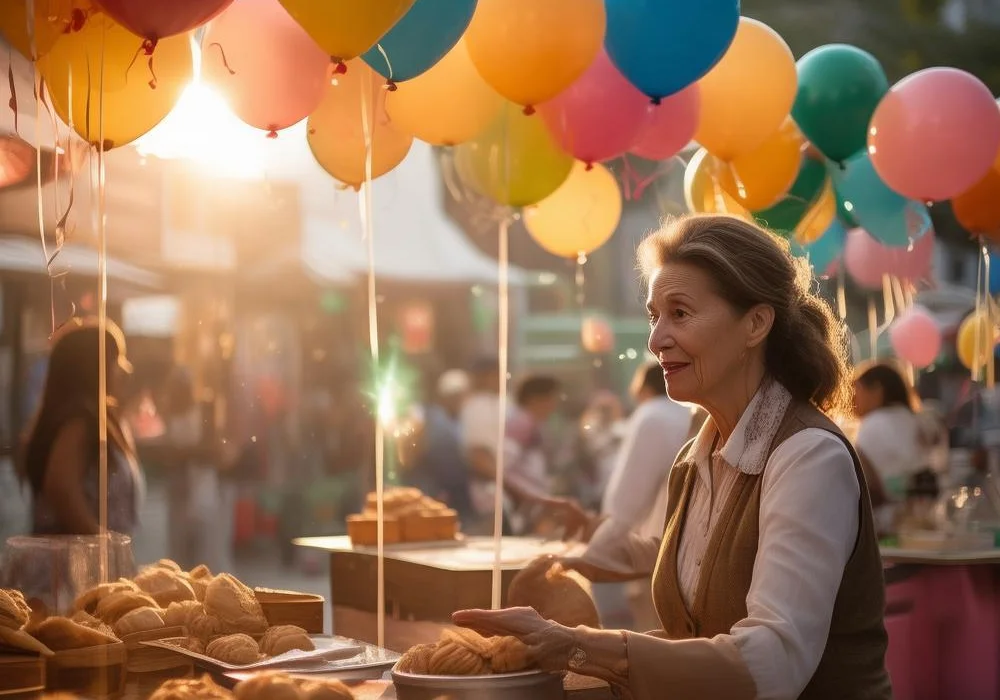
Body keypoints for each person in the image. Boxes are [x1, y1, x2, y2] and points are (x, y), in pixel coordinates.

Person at [454, 214, 890, 699]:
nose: (655, 339)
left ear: (756, 323)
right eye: (653, 315)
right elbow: (695, 575)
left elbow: (772, 661)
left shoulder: (808, 457)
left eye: (680, 313)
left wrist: (578, 646)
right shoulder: (696, 455)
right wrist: (576, 563)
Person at [585, 362, 696, 631]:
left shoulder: (652, 416)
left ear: (643, 387)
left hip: (655, 550)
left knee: (651, 638)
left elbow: (628, 497)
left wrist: (597, 549)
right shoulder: (689, 414)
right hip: (687, 548)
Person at [20, 318, 144, 536]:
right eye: (116, 359)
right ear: (95, 366)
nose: (126, 368)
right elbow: (60, 487)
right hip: (74, 566)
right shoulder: (81, 421)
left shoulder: (94, 418)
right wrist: (100, 544)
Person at [852, 361, 938, 535]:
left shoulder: (872, 425)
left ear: (877, 390)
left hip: (886, 528)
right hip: (928, 522)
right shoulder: (918, 421)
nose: (852, 398)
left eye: (857, 390)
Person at [404, 369, 475, 525]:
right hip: (429, 486)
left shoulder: (461, 420)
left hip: (457, 490)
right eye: (454, 396)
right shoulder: (424, 415)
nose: (458, 400)